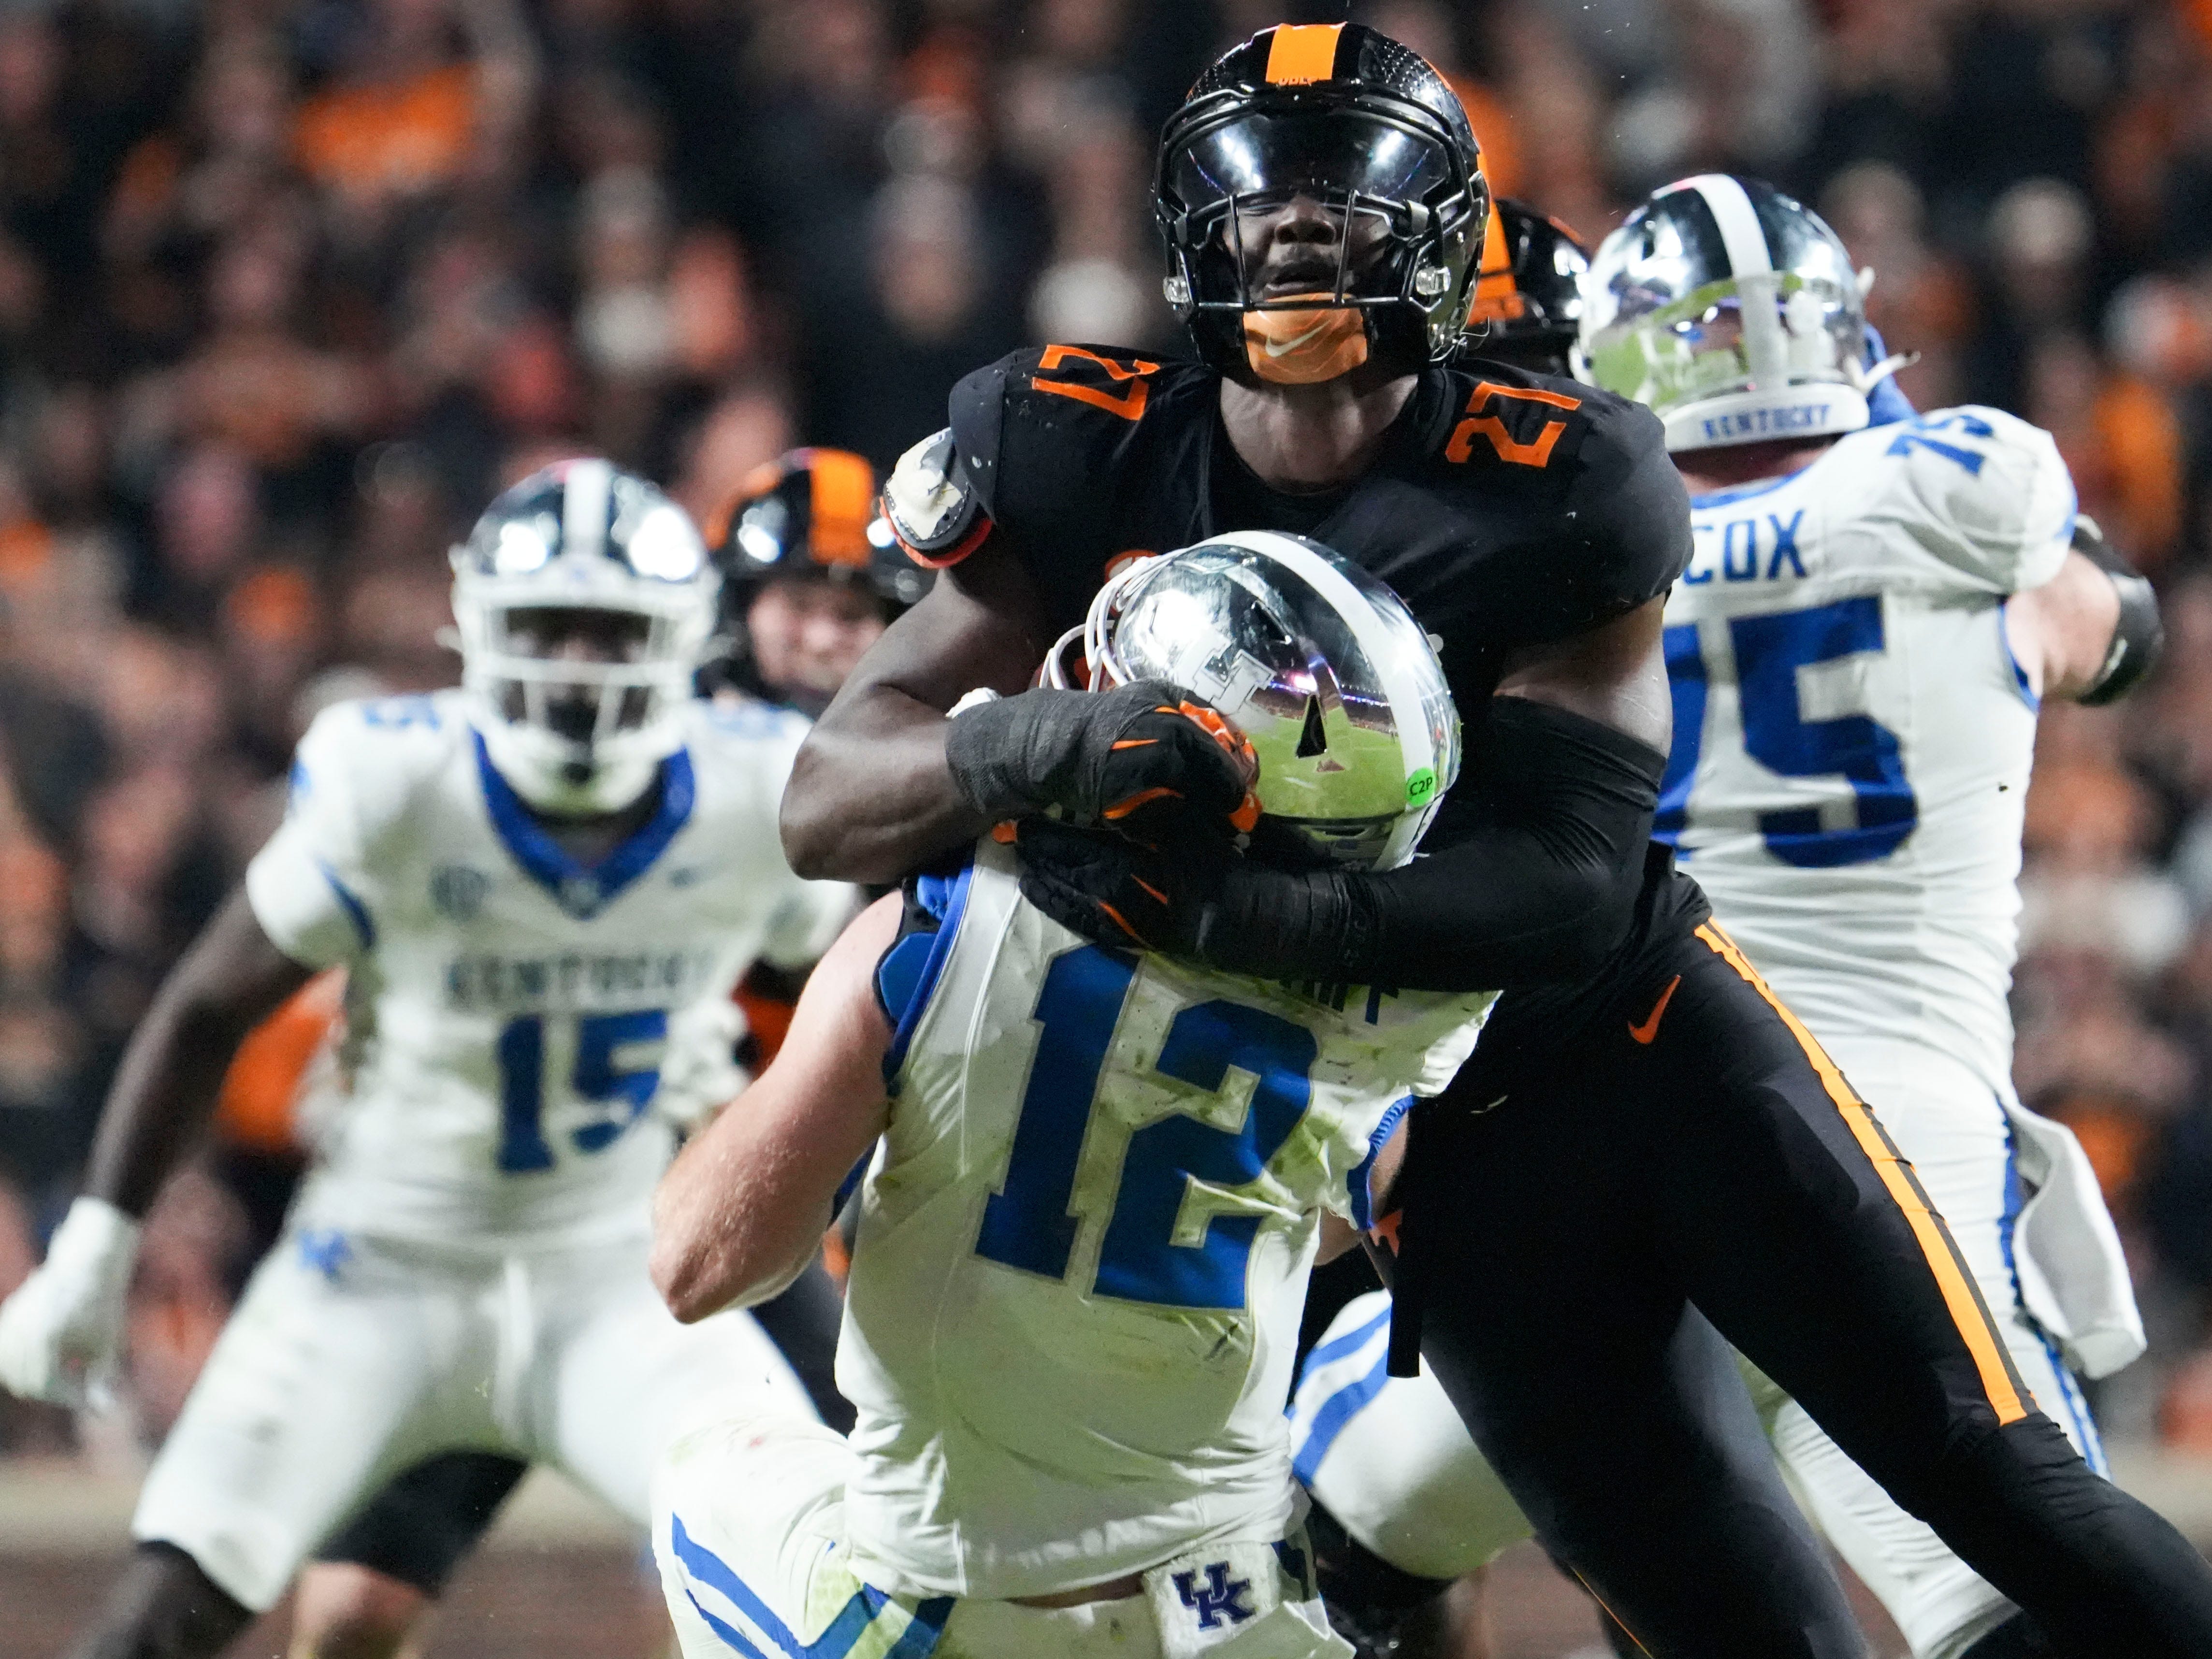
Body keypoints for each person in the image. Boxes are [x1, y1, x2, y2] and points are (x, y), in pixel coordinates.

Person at [777, 24, 2212, 1657]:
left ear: (1440, 239)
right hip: (1446, 1153)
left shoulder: (1553, 472)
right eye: (1258, 213)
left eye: (1338, 211)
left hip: (1652, 1047)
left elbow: (1577, 877)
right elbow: (829, 797)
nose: (1292, 246)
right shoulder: (1073, 437)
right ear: (1192, 235)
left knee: (2002, 1486)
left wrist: (1245, 915)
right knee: (1730, 1626)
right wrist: (1031, 744)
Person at [1290, 174, 2169, 1659]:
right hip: (1898, 1147)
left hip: (1628, 1118)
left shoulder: (1564, 551)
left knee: (1359, 1518)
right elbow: (2105, 631)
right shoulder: (1960, 498)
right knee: (2012, 1588)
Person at [0, 460, 856, 1659]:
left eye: (606, 633)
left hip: (618, 1269)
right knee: (164, 1620)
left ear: (676, 642)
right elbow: (205, 1006)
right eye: (547, 629)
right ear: (480, 633)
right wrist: (97, 1248)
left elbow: (838, 990)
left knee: (830, 1587)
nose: (573, 667)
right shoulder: (396, 779)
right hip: (378, 1262)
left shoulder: (749, 785)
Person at [651, 530, 1494, 1659]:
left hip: (938, 1608)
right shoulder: (1413, 1002)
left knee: (705, 1457)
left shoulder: (940, 929)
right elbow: (1341, 1223)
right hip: (1229, 1621)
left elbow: (702, 1265)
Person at [702, 447, 930, 718]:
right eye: (798, 607)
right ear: (740, 607)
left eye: (851, 616)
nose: (821, 641)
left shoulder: (927, 746)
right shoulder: (669, 733)